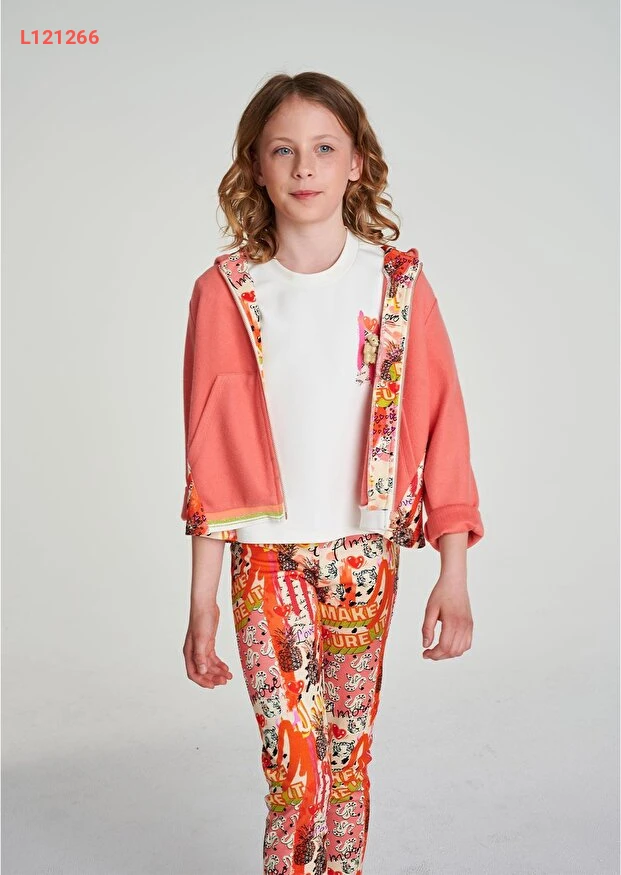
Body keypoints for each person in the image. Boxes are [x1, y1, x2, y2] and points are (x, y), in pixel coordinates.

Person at [180, 71, 484, 875]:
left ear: (356, 163)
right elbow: (209, 457)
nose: (304, 166)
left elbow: (443, 424)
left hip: (363, 556)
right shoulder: (226, 293)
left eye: (323, 147)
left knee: (346, 758)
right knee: (295, 769)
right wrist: (202, 600)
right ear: (256, 166)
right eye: (283, 150)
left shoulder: (396, 284)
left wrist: (452, 570)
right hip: (263, 561)